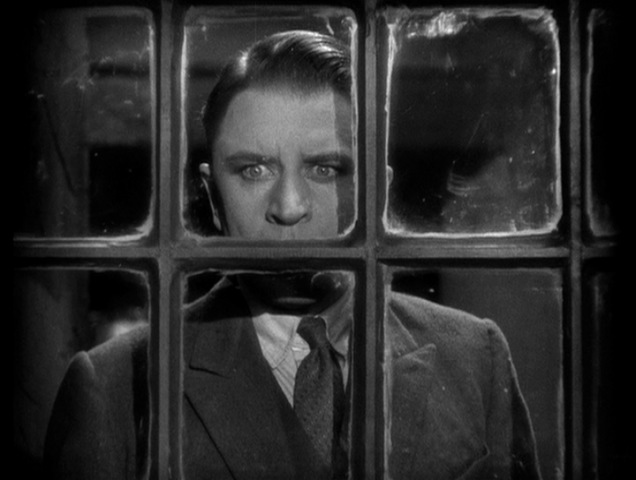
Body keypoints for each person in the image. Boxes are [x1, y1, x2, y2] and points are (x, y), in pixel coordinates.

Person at [43, 30, 542, 480]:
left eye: (325, 169)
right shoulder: (116, 386)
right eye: (253, 170)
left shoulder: (475, 357)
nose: (288, 207)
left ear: (377, 193)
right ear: (213, 197)